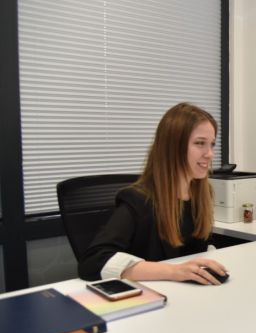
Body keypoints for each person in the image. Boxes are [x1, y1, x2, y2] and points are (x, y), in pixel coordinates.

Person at [78, 102, 228, 285]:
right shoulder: (138, 200)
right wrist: (173, 271)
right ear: (172, 147)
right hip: (151, 294)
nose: (210, 154)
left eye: (212, 144)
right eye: (200, 143)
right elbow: (93, 261)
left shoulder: (202, 195)